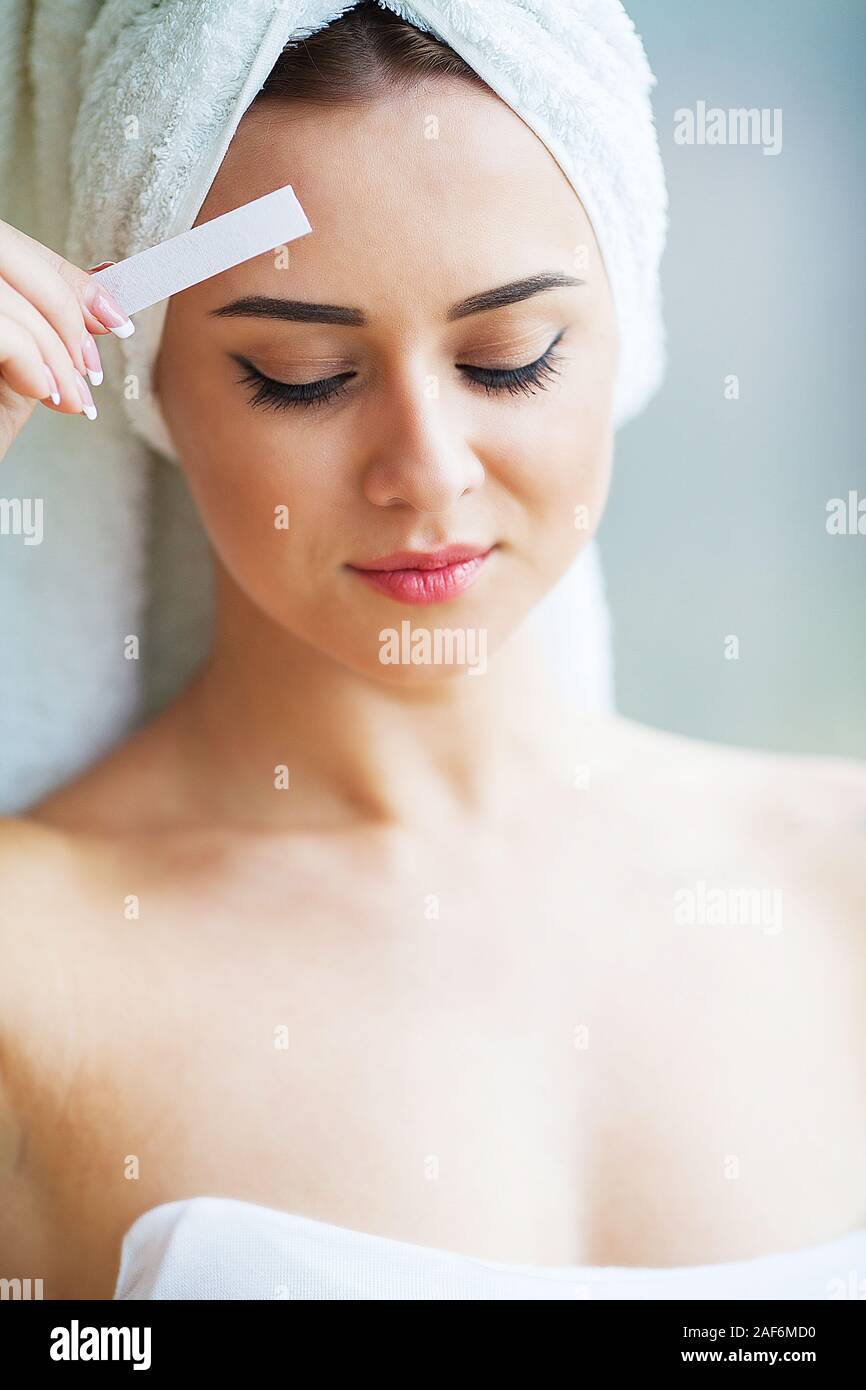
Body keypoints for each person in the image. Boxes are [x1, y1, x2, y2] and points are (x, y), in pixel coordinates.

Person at [0, 2, 863, 1301]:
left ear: (627, 324)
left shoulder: (839, 880)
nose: (427, 472)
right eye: (298, 374)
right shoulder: (34, 959)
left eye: (509, 359)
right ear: (144, 377)